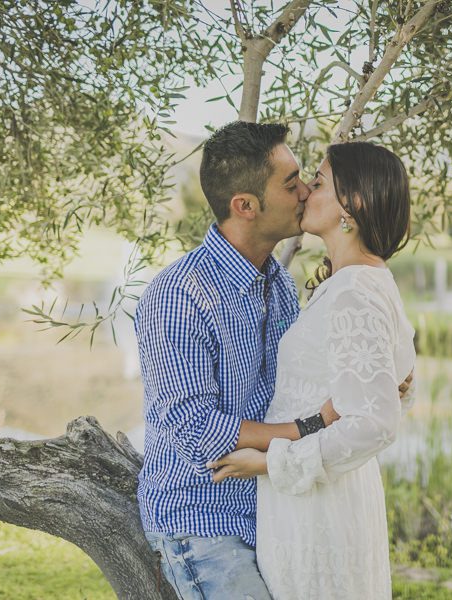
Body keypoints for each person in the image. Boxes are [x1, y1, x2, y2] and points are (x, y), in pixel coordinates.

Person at [135, 121, 340, 599]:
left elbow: (298, 384)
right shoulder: (180, 295)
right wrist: (307, 429)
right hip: (202, 521)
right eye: (291, 184)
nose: (307, 190)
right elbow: (194, 428)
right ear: (245, 206)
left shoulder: (281, 285)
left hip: (271, 508)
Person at [211, 141, 416, 599]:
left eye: (318, 182)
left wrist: (272, 462)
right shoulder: (362, 280)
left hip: (318, 504)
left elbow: (377, 422)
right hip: (322, 495)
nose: (305, 191)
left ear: (354, 204)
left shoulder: (354, 291)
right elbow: (395, 386)